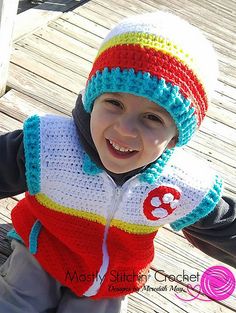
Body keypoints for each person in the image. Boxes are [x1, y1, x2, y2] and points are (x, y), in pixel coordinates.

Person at [0, 10, 235, 313]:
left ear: (176, 136)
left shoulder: (178, 185)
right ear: (93, 99)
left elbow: (225, 227)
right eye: (114, 103)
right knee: (16, 301)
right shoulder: (49, 146)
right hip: (43, 247)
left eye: (152, 117)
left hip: (111, 276)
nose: (125, 129)